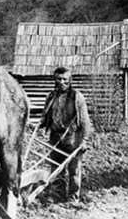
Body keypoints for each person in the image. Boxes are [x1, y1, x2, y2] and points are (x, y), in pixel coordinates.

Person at [39, 67, 92, 203]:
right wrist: (40, 124)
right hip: (55, 137)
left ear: (70, 81)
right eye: (59, 79)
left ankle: (72, 197)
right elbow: (45, 117)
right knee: (56, 168)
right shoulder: (50, 97)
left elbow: (85, 120)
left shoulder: (77, 97)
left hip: (73, 137)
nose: (62, 82)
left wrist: (85, 140)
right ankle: (57, 195)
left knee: (74, 170)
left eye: (65, 80)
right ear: (55, 80)